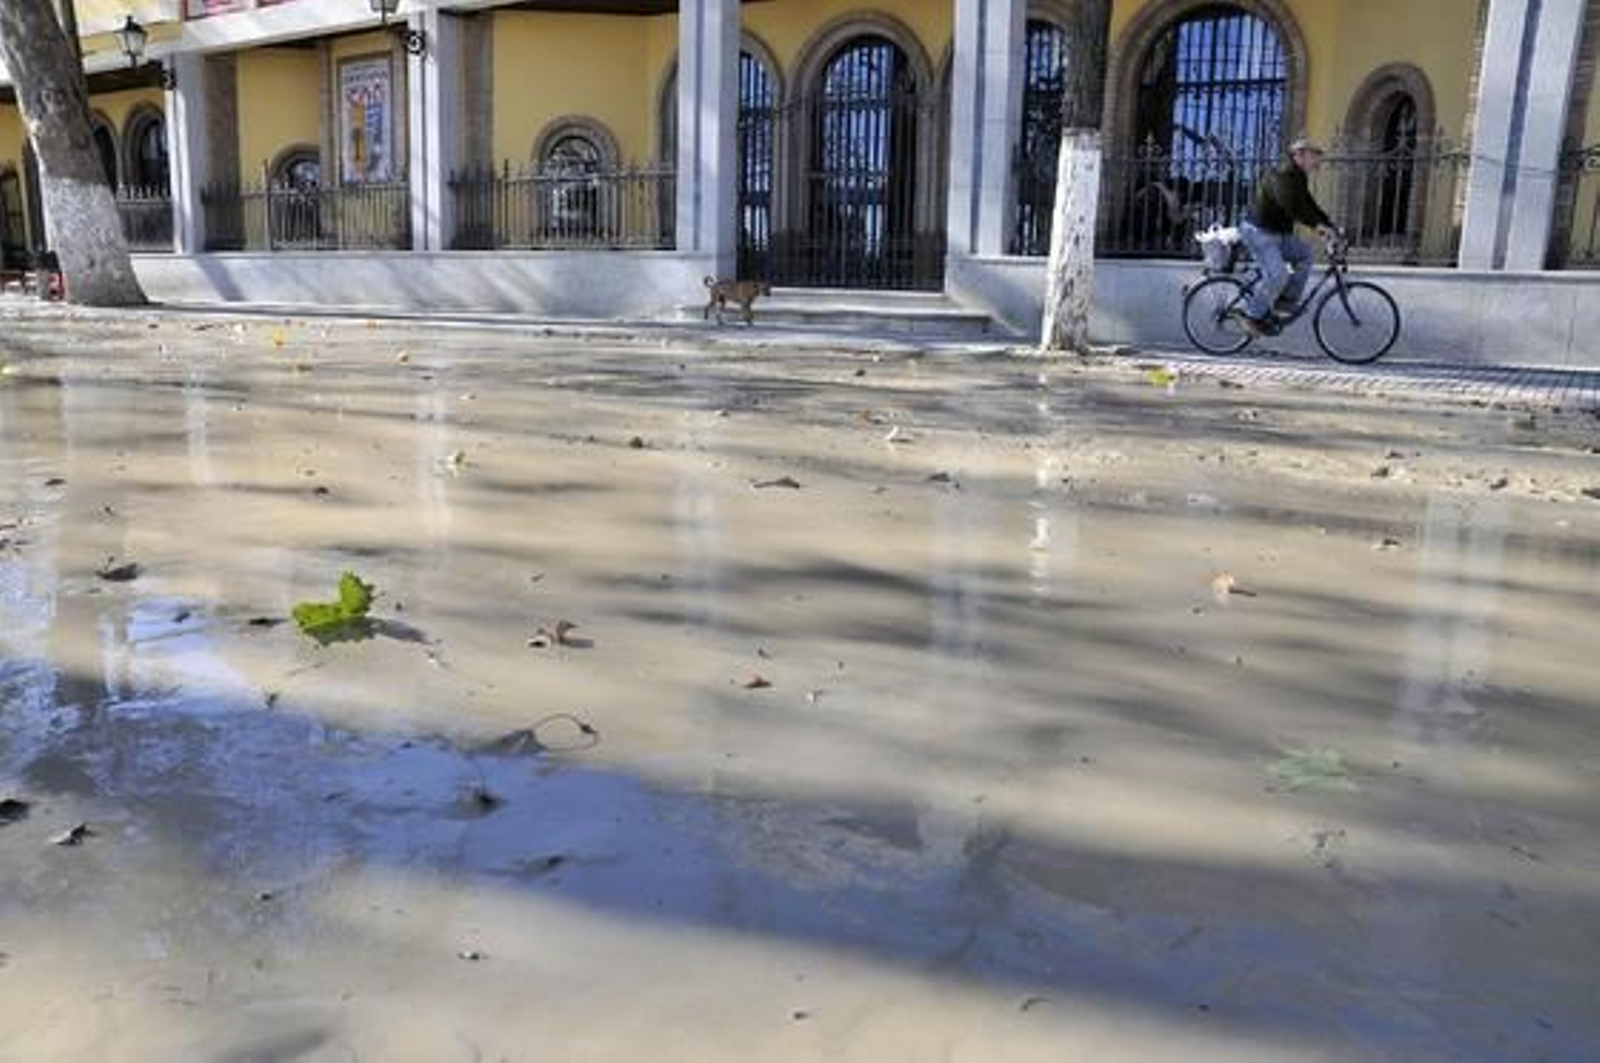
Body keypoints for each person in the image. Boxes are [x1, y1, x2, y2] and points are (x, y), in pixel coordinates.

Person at [1236, 136, 1338, 335]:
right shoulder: (1283, 174)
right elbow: (1291, 206)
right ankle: (1251, 317)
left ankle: (1285, 300)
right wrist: (1317, 227)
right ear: (1299, 155)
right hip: (1259, 232)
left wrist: (1329, 225)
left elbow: (1308, 204)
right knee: (1277, 275)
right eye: (1314, 155)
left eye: (1318, 155)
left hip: (1278, 234)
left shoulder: (1298, 176)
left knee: (1306, 254)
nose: (1318, 160)